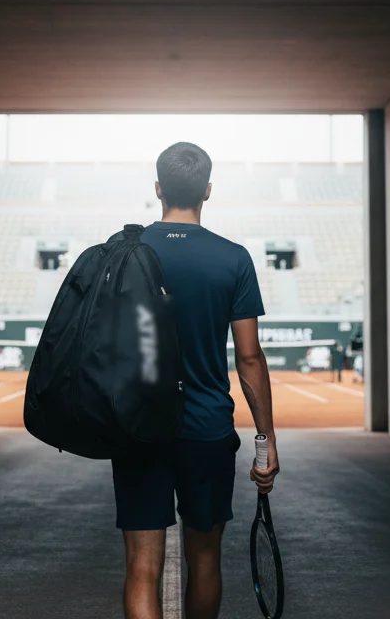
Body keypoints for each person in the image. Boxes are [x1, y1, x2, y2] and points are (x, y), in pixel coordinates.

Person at [112, 142, 280, 619]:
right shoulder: (234, 258)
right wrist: (265, 443)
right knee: (204, 559)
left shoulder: (126, 252)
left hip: (139, 426)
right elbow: (250, 359)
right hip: (206, 428)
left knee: (141, 566)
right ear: (208, 191)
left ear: (159, 188)